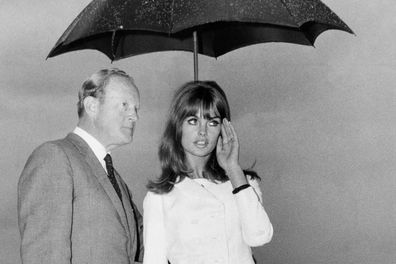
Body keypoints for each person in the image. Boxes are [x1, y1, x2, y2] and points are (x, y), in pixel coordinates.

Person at [18, 68, 144, 264]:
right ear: (92, 106)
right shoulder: (55, 157)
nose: (134, 116)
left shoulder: (116, 180)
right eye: (124, 105)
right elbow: (44, 257)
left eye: (136, 109)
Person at [142, 81, 273, 264]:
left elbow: (259, 237)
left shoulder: (243, 182)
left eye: (212, 122)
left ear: (224, 128)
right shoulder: (160, 196)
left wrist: (233, 169)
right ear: (177, 126)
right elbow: (154, 260)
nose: (202, 132)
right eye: (193, 121)